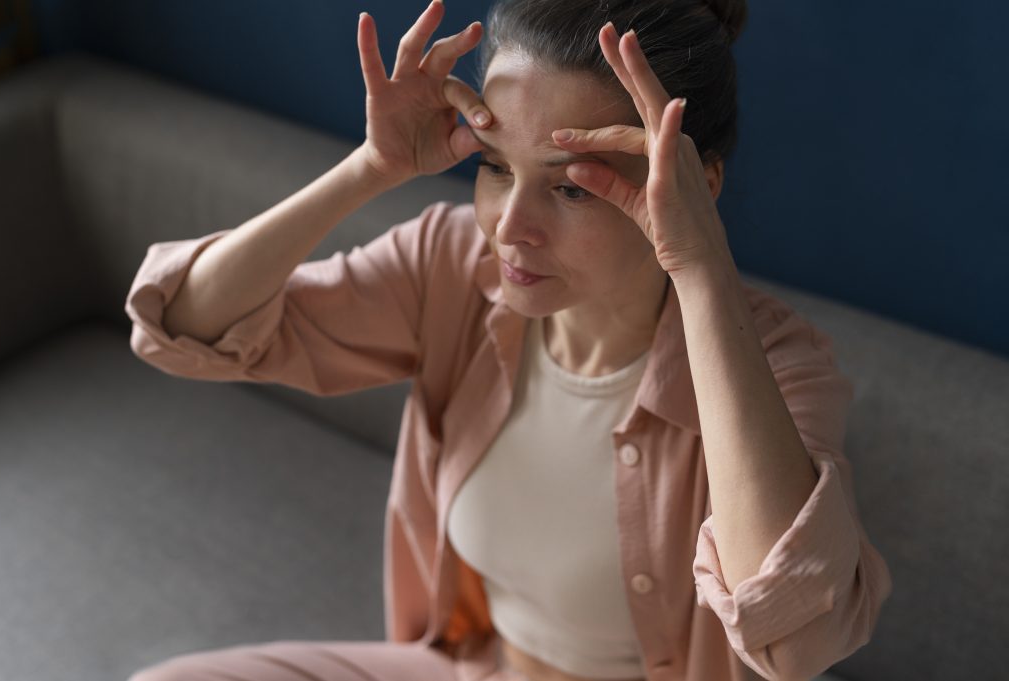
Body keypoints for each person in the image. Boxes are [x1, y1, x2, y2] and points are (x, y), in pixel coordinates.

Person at [124, 1, 892, 680]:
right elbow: (188, 325)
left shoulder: (784, 365)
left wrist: (699, 265)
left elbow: (797, 642)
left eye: (569, 186)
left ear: (694, 182)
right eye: (494, 167)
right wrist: (370, 168)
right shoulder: (454, 266)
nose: (510, 230)